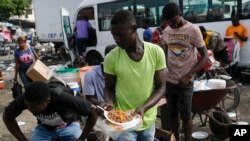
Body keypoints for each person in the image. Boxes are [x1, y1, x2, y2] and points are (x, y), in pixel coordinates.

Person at [102, 10, 167, 141]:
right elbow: (109, 87)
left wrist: (144, 107)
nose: (116, 40)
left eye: (120, 35)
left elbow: (161, 87)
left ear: (133, 29)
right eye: (114, 35)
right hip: (123, 122)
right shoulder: (111, 57)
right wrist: (109, 101)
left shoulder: (156, 52)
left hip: (147, 120)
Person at [161, 3, 208, 141]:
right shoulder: (167, 31)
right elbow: (164, 53)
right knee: (172, 115)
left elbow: (204, 56)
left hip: (185, 82)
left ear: (180, 15)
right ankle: (176, 138)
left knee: (186, 116)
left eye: (174, 20)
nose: (172, 24)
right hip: (170, 80)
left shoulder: (193, 30)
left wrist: (188, 76)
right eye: (168, 21)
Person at [3, 81, 97, 141]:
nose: (30, 109)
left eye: (34, 107)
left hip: (68, 127)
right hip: (44, 129)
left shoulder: (61, 97)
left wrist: (82, 138)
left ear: (47, 101)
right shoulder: (26, 98)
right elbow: (7, 117)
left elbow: (93, 111)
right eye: (27, 105)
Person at [82, 45, 116, 141]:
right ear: (106, 58)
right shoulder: (91, 74)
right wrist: (102, 104)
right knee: (105, 134)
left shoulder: (119, 72)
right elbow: (89, 98)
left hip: (116, 111)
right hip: (99, 113)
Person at [225, 15, 248, 79]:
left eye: (234, 21)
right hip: (229, 48)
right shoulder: (229, 28)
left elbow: (245, 39)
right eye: (232, 21)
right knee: (229, 62)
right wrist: (228, 38)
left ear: (238, 20)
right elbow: (226, 39)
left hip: (237, 48)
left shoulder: (243, 27)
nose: (233, 22)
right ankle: (230, 76)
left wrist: (238, 35)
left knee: (235, 62)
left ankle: (234, 77)